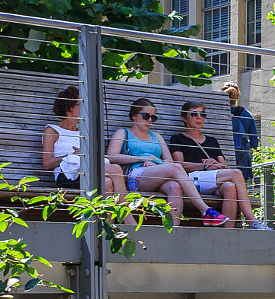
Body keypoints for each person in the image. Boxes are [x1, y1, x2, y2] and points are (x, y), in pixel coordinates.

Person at [106, 98, 226, 224]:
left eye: (153, 117)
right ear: (134, 115)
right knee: (177, 168)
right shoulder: (124, 133)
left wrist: (156, 164)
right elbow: (112, 156)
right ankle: (205, 210)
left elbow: (169, 161)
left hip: (157, 174)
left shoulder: (156, 136)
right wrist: (144, 159)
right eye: (146, 116)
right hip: (136, 175)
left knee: (175, 186)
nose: (150, 120)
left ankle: (173, 231)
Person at [169, 99, 265, 227]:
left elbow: (224, 167)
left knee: (230, 187)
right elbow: (179, 165)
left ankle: (227, 233)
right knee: (236, 173)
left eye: (202, 114)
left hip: (212, 180)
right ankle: (253, 221)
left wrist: (215, 164)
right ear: (184, 118)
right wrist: (204, 166)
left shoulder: (212, 141)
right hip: (192, 181)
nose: (199, 117)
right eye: (194, 114)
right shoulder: (178, 139)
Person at [42, 86, 123, 192]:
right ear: (69, 107)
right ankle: (125, 208)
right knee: (116, 169)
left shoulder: (84, 133)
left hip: (86, 171)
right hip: (67, 175)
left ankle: (107, 208)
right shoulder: (52, 131)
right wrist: (71, 156)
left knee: (106, 182)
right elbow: (47, 163)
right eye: (81, 104)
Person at [221, 79, 261, 179]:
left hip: (221, 158)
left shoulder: (217, 114)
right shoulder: (246, 114)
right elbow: (254, 143)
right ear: (237, 96)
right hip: (241, 160)